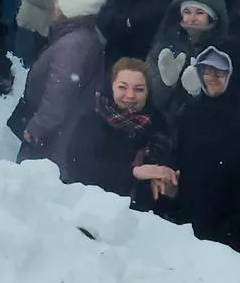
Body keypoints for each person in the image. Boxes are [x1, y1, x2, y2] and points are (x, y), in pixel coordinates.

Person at [153, 47, 240, 258]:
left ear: (235, 73)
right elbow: (180, 171)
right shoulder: (189, 117)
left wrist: (237, 231)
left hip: (237, 247)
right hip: (189, 240)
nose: (211, 78)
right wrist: (172, 202)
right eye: (205, 70)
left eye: (220, 72)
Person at [14, 0, 107, 164]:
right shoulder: (78, 36)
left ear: (71, 9)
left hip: (55, 137)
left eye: (59, 2)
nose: (55, 6)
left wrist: (38, 127)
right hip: (62, 130)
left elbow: (59, 92)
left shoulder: (73, 45)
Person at [56, 57, 172, 203]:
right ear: (112, 87)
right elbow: (80, 167)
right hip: (87, 205)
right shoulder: (92, 120)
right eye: (122, 87)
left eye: (139, 89)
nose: (130, 95)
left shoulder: (159, 126)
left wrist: (167, 185)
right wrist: (133, 173)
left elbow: (164, 172)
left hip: (139, 217)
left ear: (148, 92)